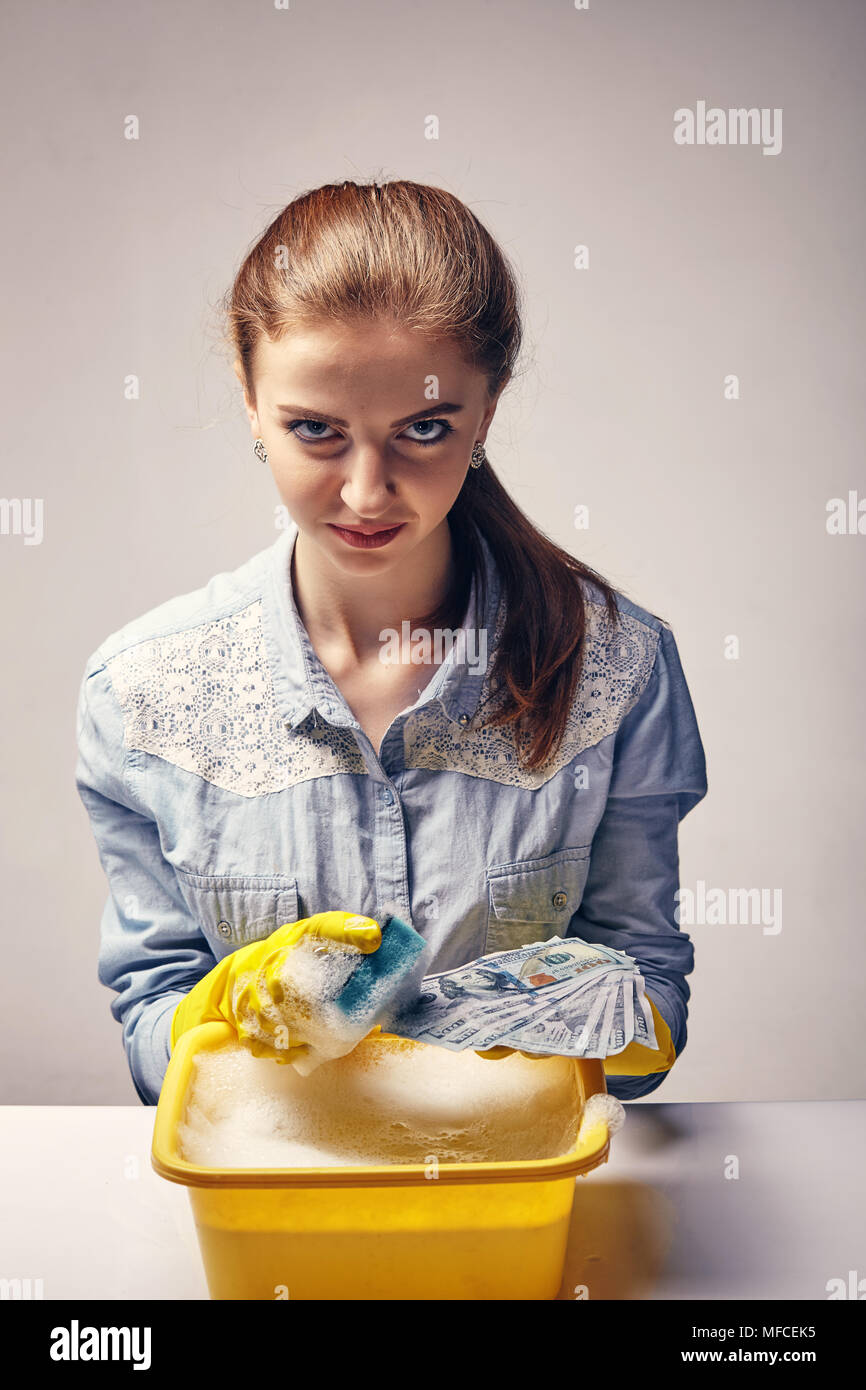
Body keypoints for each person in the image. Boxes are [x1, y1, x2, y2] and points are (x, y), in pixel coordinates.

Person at [75, 178, 707, 1106]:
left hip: (511, 1199)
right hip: (274, 1204)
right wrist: (216, 1009)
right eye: (315, 432)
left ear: (484, 414)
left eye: (423, 429)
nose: (367, 493)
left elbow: (649, 999)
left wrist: (581, 1025)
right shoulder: (143, 691)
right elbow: (152, 1020)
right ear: (251, 403)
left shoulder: (617, 668)